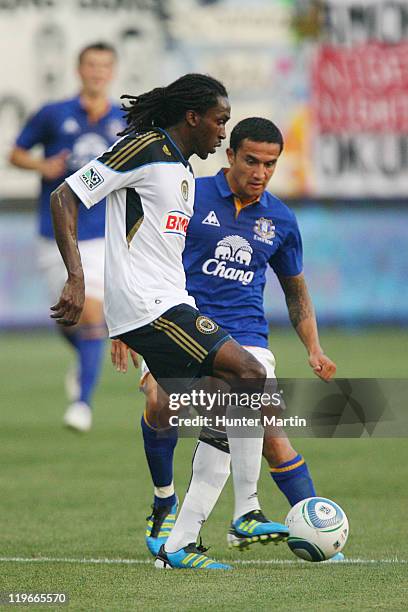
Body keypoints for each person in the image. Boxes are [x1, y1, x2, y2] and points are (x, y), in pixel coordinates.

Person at [49, 74, 291, 570]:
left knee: (226, 395)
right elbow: (65, 196)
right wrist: (77, 278)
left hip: (165, 304)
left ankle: (179, 524)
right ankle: (224, 519)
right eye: (221, 121)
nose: (224, 133)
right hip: (150, 307)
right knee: (250, 375)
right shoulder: (143, 148)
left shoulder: (179, 170)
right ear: (193, 117)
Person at [112, 117, 338, 559]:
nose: (260, 172)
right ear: (230, 155)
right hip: (177, 324)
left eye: (270, 164)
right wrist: (125, 325)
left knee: (268, 432)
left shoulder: (280, 219)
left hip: (247, 337)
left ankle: (313, 530)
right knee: (161, 402)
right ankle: (167, 500)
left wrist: (313, 346)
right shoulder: (188, 194)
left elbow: (296, 290)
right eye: (251, 160)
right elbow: (138, 253)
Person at [9, 42, 124, 432]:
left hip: (98, 234)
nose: (97, 72)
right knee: (67, 317)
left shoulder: (124, 120)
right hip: (54, 233)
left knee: (90, 312)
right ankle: (85, 360)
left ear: (112, 72)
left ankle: (82, 404)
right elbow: (16, 153)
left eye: (104, 66)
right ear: (79, 70)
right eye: (91, 64)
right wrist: (41, 164)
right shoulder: (53, 114)